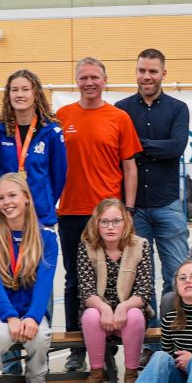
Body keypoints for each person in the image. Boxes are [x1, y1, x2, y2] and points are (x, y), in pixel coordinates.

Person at [56, 57, 140, 334]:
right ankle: (74, 342)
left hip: (107, 215)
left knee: (107, 280)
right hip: (71, 212)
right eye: (84, 77)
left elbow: (129, 167)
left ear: (105, 81)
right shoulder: (62, 116)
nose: (89, 82)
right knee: (74, 279)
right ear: (76, 81)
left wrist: (128, 210)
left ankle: (109, 341)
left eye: (94, 77)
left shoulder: (119, 117)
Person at [117, 48, 191, 316]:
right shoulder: (121, 110)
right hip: (134, 209)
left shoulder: (178, 109)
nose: (146, 76)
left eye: (152, 71)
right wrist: (156, 148)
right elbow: (120, 154)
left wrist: (136, 146)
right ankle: (149, 336)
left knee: (177, 274)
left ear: (163, 74)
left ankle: (174, 330)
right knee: (140, 280)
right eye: (142, 71)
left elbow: (176, 147)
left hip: (167, 205)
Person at [0, 173, 59, 383]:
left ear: (26, 198)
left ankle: (37, 377)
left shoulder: (47, 238)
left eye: (12, 195)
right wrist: (10, 316)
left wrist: (33, 317)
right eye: (1, 198)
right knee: (0, 335)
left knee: (40, 335)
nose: (6, 202)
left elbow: (44, 284)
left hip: (31, 310)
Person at [74, 196, 155, 383]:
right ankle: (97, 376)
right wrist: (104, 308)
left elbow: (145, 290)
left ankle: (131, 376)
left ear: (125, 222)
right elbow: (86, 291)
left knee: (135, 315)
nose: (110, 227)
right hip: (99, 315)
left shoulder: (140, 245)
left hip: (129, 314)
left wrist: (123, 307)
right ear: (97, 223)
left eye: (116, 221)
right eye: (105, 222)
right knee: (90, 315)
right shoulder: (87, 246)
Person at [0, 69, 64, 229]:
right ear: (8, 95)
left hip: (40, 216)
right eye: (14, 90)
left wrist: (44, 201)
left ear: (35, 93)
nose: (19, 94)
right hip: (5, 216)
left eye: (25, 89)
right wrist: (5, 200)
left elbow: (59, 177)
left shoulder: (51, 132)